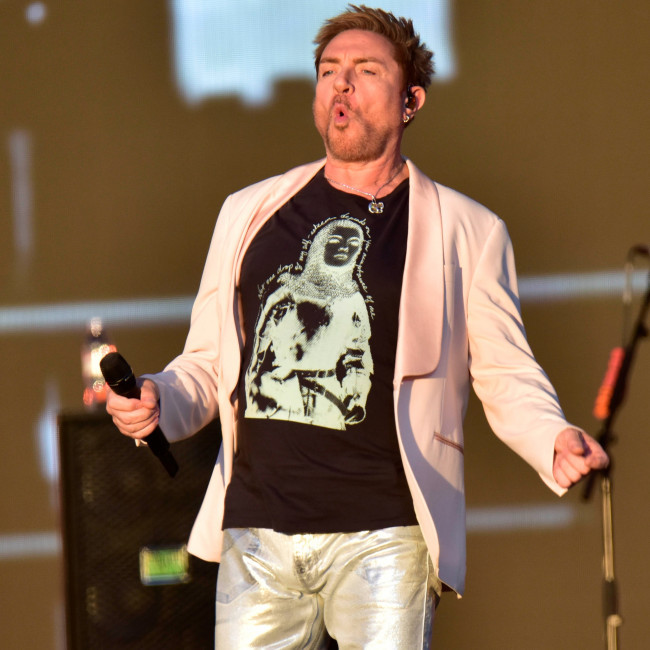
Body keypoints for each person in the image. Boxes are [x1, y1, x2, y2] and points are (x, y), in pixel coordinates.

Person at [106, 5, 609, 648]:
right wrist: (157, 399)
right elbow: (208, 362)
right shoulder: (247, 213)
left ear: (411, 101)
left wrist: (552, 436)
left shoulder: (467, 231)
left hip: (384, 533)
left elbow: (504, 369)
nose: (341, 84)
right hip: (257, 531)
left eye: (366, 70)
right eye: (328, 71)